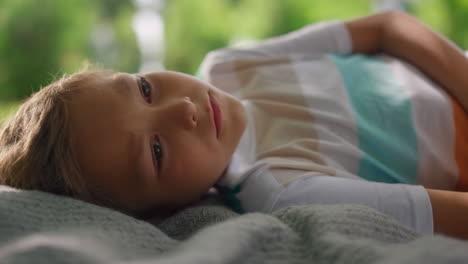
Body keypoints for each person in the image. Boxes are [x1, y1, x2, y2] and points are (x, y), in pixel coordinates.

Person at [1, 11, 468, 239]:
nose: (182, 109)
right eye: (156, 152)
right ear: (163, 211)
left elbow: (390, 27)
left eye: (144, 89)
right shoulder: (285, 188)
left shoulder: (229, 66)